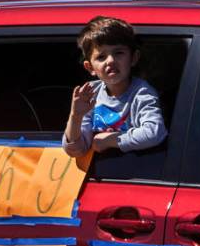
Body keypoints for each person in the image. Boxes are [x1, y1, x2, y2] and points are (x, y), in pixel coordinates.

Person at [63, 16, 167, 157]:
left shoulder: (142, 93)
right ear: (90, 68)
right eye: (101, 57)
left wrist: (110, 140)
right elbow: (76, 150)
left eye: (118, 53)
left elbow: (155, 132)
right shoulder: (90, 93)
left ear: (133, 58)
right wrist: (76, 116)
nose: (111, 60)